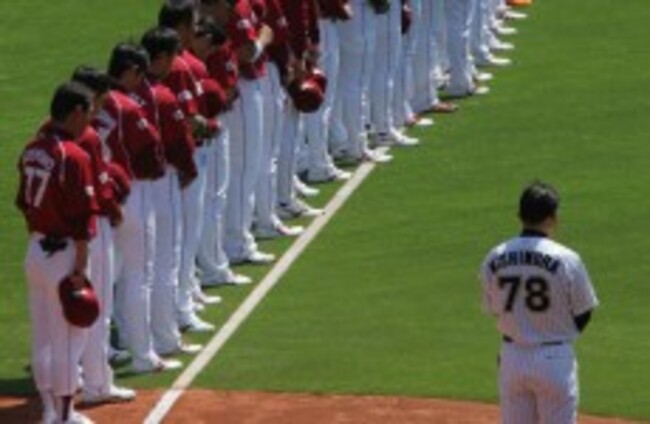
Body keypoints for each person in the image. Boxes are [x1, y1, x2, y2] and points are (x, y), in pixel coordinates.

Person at [479, 181, 599, 424]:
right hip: (555, 357)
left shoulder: (495, 256)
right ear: (552, 217)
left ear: (519, 216)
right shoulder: (567, 258)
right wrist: (558, 332)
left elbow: (494, 308)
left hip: (512, 357)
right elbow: (585, 310)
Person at [17, 82, 98, 424]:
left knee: (43, 335)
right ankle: (65, 417)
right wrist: (80, 265)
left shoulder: (31, 149)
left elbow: (23, 202)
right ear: (76, 111)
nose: (91, 118)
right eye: (89, 111)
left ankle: (50, 410)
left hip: (35, 249)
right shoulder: (74, 156)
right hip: (63, 253)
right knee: (67, 338)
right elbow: (82, 217)